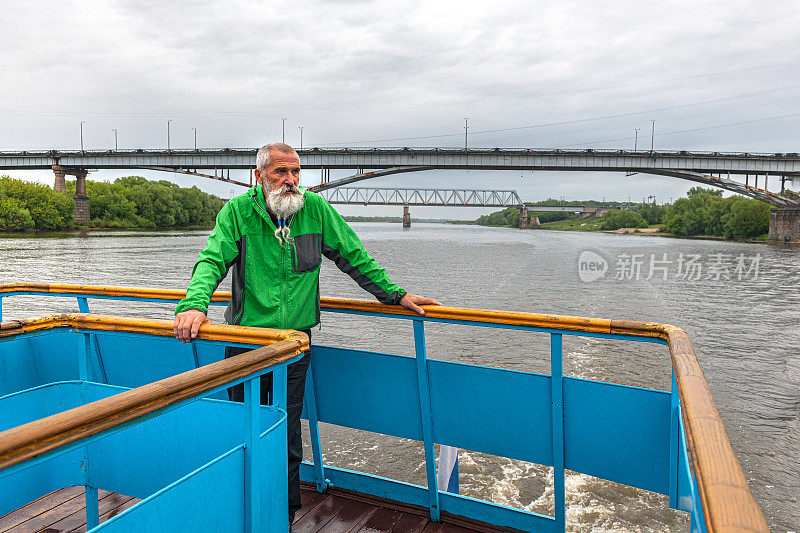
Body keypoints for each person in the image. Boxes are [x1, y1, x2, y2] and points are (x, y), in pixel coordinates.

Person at [173, 142, 440, 529]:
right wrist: (194, 305)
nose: (291, 180)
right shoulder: (237, 213)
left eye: (296, 172)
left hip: (293, 345)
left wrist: (395, 294)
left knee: (286, 435)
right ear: (259, 176)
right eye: (281, 172)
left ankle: (282, 515)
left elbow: (354, 256)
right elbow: (211, 260)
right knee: (239, 429)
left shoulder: (314, 210)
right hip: (244, 345)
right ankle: (239, 507)